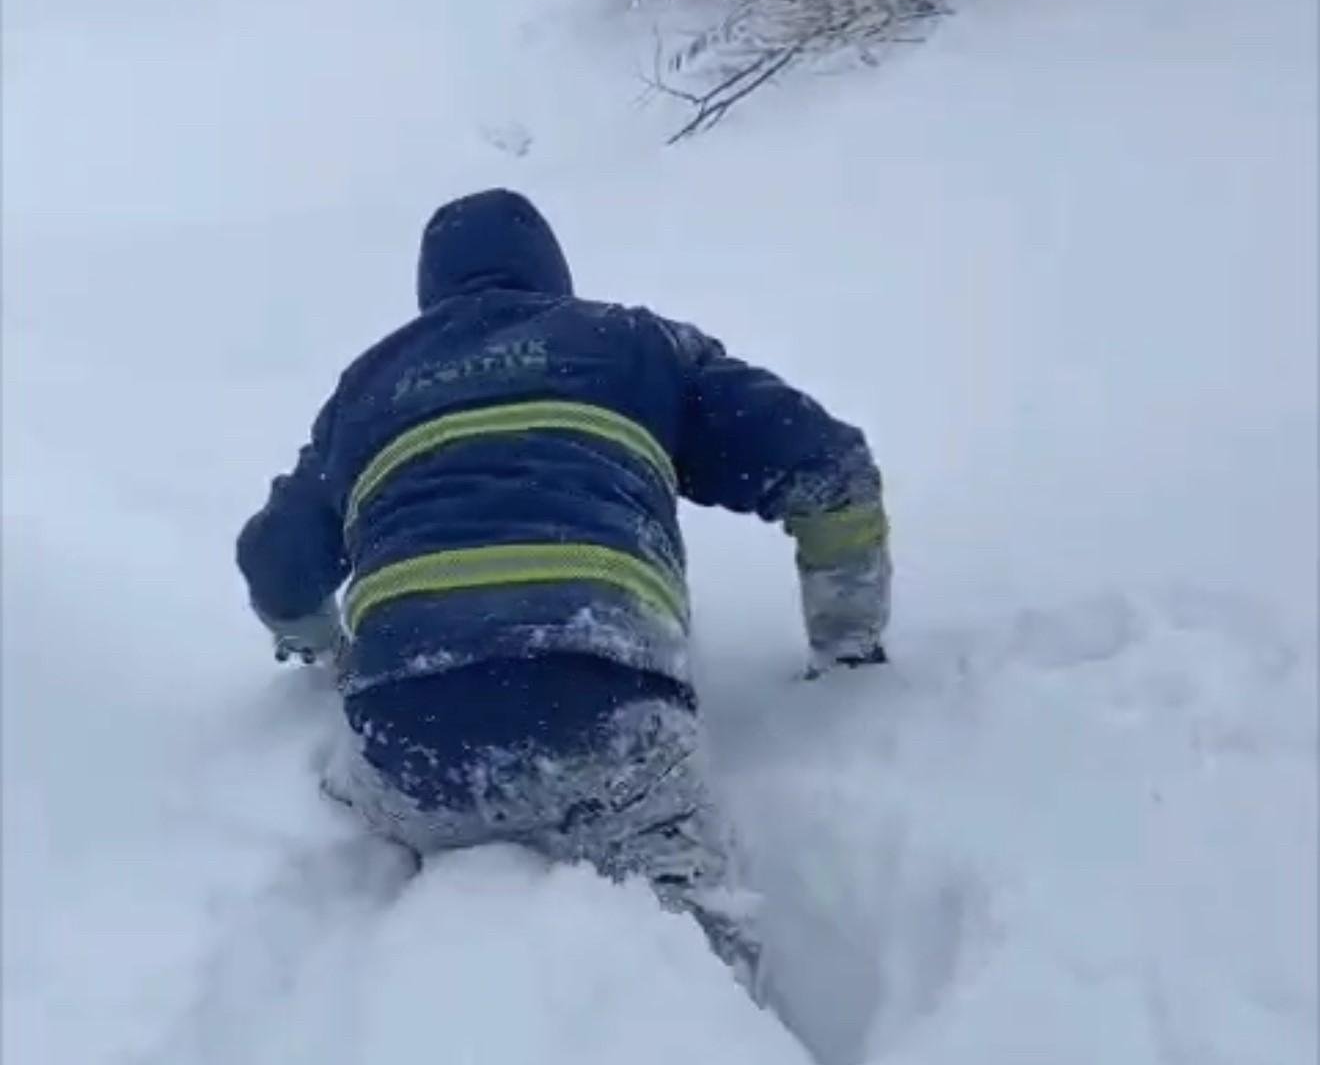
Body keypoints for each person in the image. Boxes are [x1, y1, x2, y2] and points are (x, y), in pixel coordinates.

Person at [236, 189, 890, 979]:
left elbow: (274, 562)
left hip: (406, 728)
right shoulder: (634, 346)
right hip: (606, 706)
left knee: (373, 798)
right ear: (554, 276)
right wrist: (847, 645)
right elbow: (830, 469)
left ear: (428, 295)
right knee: (696, 963)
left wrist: (325, 650)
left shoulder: (369, 389)